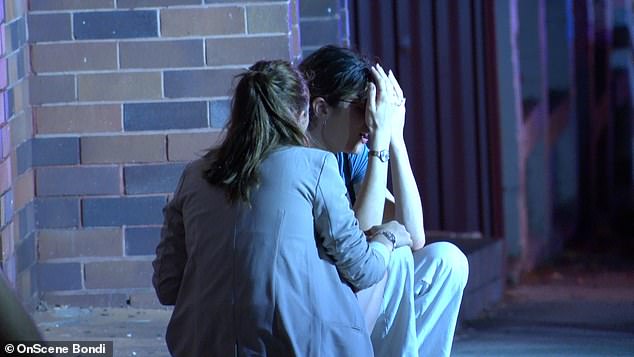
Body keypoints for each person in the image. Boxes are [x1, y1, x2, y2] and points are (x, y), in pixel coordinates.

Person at [152, 60, 412, 356]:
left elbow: (167, 285)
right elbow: (363, 270)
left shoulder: (194, 174)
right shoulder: (316, 166)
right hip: (294, 347)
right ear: (303, 115)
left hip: (201, 347)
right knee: (395, 259)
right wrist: (387, 238)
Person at [299, 45, 469, 357]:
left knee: (448, 261)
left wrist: (394, 138)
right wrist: (378, 143)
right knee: (395, 255)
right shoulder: (302, 158)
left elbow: (414, 233)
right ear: (321, 108)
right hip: (317, 311)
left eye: (372, 109)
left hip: (353, 292)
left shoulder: (347, 153)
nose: (368, 121)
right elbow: (359, 246)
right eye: (359, 108)